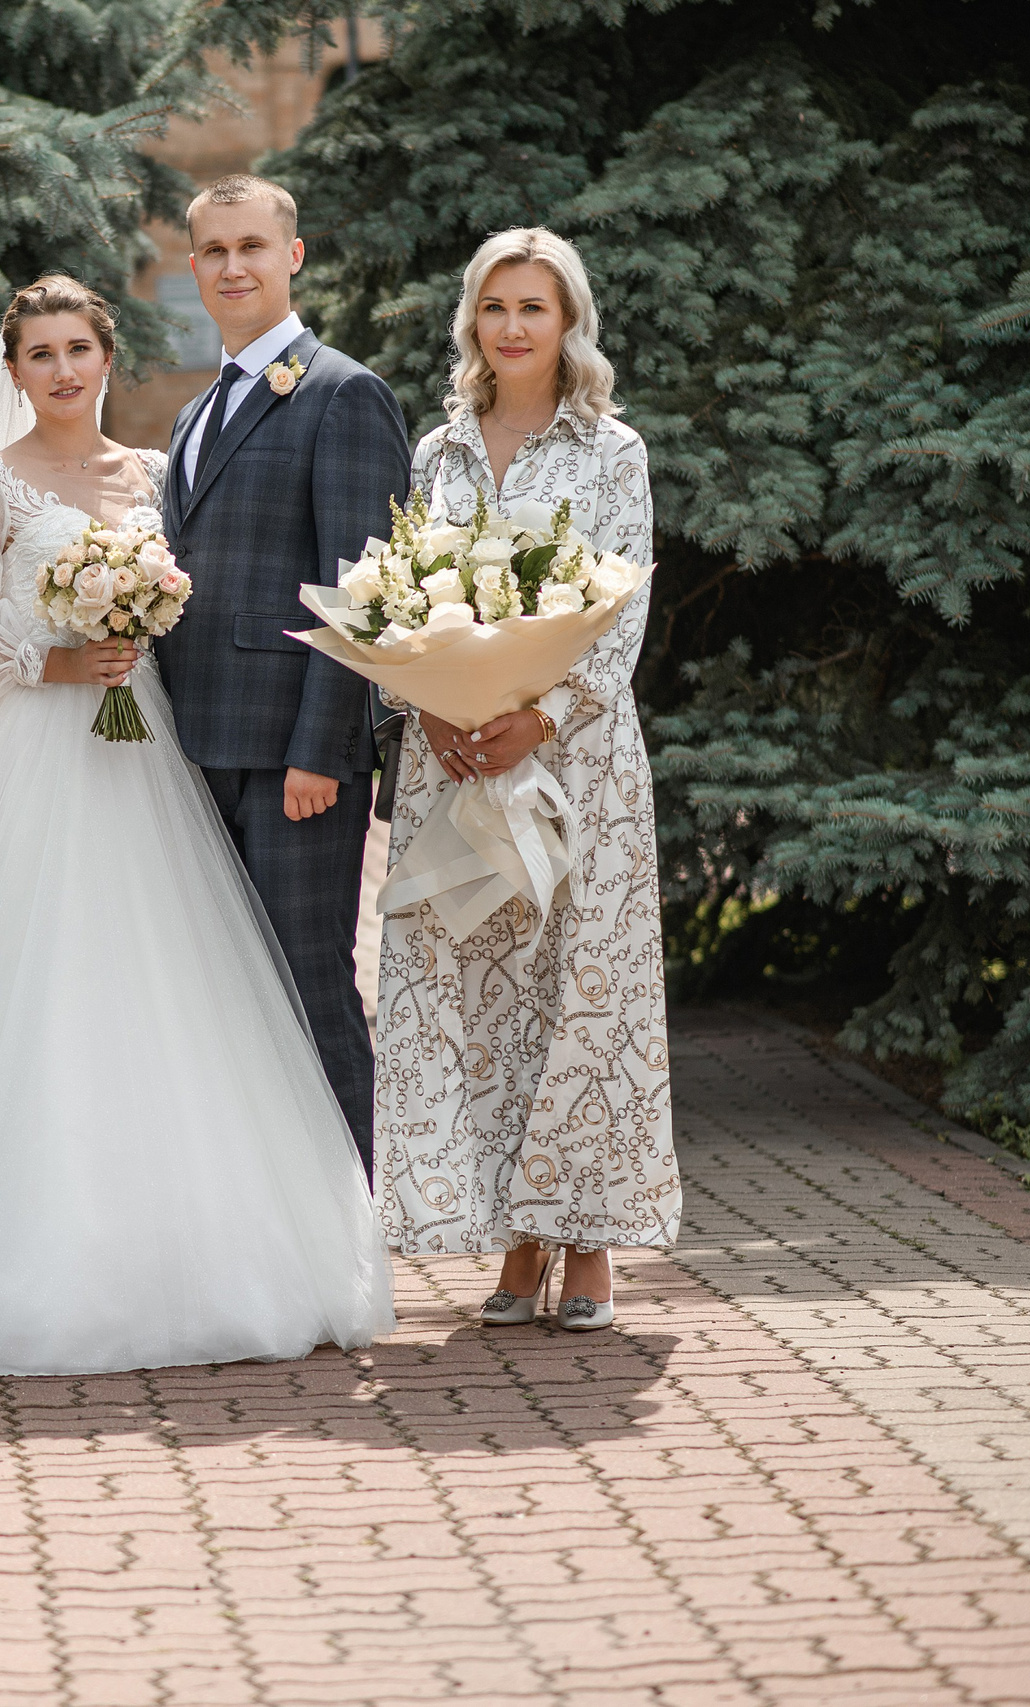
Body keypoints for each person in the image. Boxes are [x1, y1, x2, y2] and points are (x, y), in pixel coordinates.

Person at [0, 275, 393, 1376]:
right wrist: (55, 660)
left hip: (146, 756)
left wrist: (133, 637)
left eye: (78, 348)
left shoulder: (156, 478)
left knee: (166, 986)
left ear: (107, 359)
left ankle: (191, 1245)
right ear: (10, 372)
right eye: (39, 354)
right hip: (27, 762)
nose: (62, 370)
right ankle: (14, 1260)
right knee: (28, 993)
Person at [372, 226, 679, 1331]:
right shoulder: (435, 454)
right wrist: (429, 706)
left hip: (577, 757)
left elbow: (621, 609)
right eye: (493, 307)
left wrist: (539, 715)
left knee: (580, 988)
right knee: (482, 994)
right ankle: (514, 1233)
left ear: (568, 324)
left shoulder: (613, 453)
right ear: (471, 323)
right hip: (451, 759)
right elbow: (403, 598)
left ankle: (586, 1237)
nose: (510, 327)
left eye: (532, 309)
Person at [157, 173, 412, 1166]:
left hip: (292, 761)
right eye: (213, 251)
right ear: (192, 267)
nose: (232, 266)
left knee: (309, 980)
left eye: (251, 247)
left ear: (291, 256)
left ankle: (359, 1207)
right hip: (193, 749)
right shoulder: (191, 416)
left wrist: (321, 751)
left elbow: (360, 589)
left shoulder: (344, 394)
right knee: (225, 991)